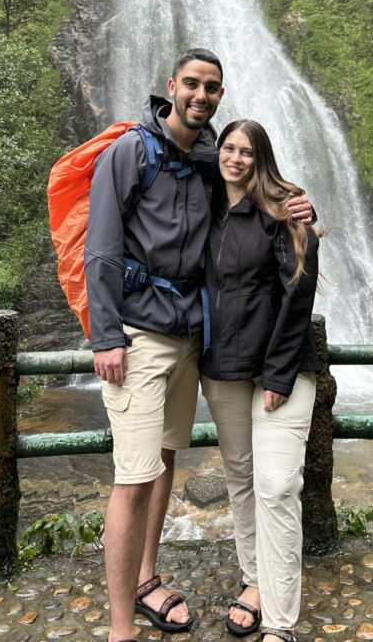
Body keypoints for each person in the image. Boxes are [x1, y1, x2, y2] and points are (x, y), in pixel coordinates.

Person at [85, 50, 312, 642]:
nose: (201, 95)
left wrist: (299, 205)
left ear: (219, 95)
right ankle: (120, 628)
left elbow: (259, 190)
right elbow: (102, 248)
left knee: (164, 461)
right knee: (133, 476)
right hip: (137, 336)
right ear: (171, 87)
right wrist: (106, 336)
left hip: (191, 338)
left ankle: (148, 580)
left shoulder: (213, 158)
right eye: (192, 84)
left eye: (211, 87)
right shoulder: (130, 152)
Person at [200, 119, 322, 642]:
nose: (235, 158)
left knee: (276, 486)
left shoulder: (284, 208)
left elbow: (299, 290)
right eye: (228, 148)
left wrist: (278, 372)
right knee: (241, 478)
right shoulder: (200, 205)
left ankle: (280, 622)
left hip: (283, 370)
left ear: (261, 157)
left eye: (247, 151)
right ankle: (254, 582)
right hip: (223, 367)